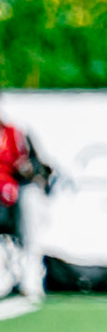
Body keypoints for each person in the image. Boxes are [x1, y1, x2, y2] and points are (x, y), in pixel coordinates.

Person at [0, 110, 55, 303]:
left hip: (13, 203)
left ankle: (30, 276)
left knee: (31, 197)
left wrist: (28, 171)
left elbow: (41, 169)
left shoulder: (16, 135)